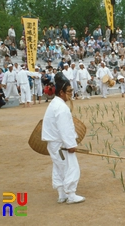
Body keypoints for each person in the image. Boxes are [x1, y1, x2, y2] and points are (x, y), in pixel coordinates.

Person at [42, 72, 85, 204]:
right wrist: (71, 145)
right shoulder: (61, 108)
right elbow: (64, 128)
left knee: (59, 168)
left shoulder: (54, 104)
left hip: (54, 144)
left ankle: (62, 194)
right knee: (71, 167)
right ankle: (70, 195)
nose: (71, 93)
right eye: (69, 91)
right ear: (61, 92)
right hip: (61, 145)